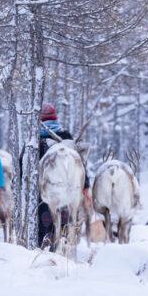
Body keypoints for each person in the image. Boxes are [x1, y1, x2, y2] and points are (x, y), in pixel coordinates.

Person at [36, 103, 88, 249]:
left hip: (45, 192)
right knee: (66, 219)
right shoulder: (66, 137)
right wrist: (85, 185)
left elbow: (24, 163)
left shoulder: (35, 139)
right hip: (68, 190)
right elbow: (79, 163)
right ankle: (64, 247)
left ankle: (45, 247)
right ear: (55, 118)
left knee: (44, 221)